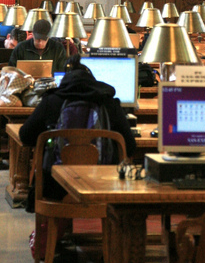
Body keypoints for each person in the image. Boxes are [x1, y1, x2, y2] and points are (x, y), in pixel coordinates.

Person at [19, 55, 136, 201]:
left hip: (55, 187)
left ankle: (57, 222)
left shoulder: (51, 101)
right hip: (104, 185)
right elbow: (130, 146)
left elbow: (25, 136)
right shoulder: (109, 103)